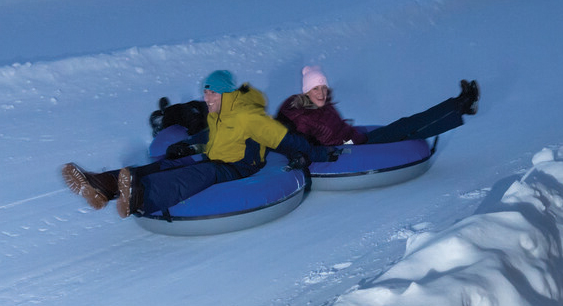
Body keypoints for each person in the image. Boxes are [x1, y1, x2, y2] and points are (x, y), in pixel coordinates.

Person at [61, 70, 331, 218]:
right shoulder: (218, 113)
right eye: (205, 92)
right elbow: (210, 137)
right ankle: (101, 185)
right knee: (168, 164)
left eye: (211, 92)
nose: (207, 97)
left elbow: (285, 139)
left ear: (226, 93)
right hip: (216, 157)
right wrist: (189, 144)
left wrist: (315, 153)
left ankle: (142, 195)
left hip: (240, 167)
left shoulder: (250, 116)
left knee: (204, 173)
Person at [278, 65, 479, 147]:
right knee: (407, 128)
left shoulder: (321, 105)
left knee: (406, 126)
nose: (321, 93)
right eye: (316, 89)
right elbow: (304, 145)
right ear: (306, 91)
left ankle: (460, 104)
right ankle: (461, 105)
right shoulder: (303, 117)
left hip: (357, 139)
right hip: (354, 150)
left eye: (323, 87)